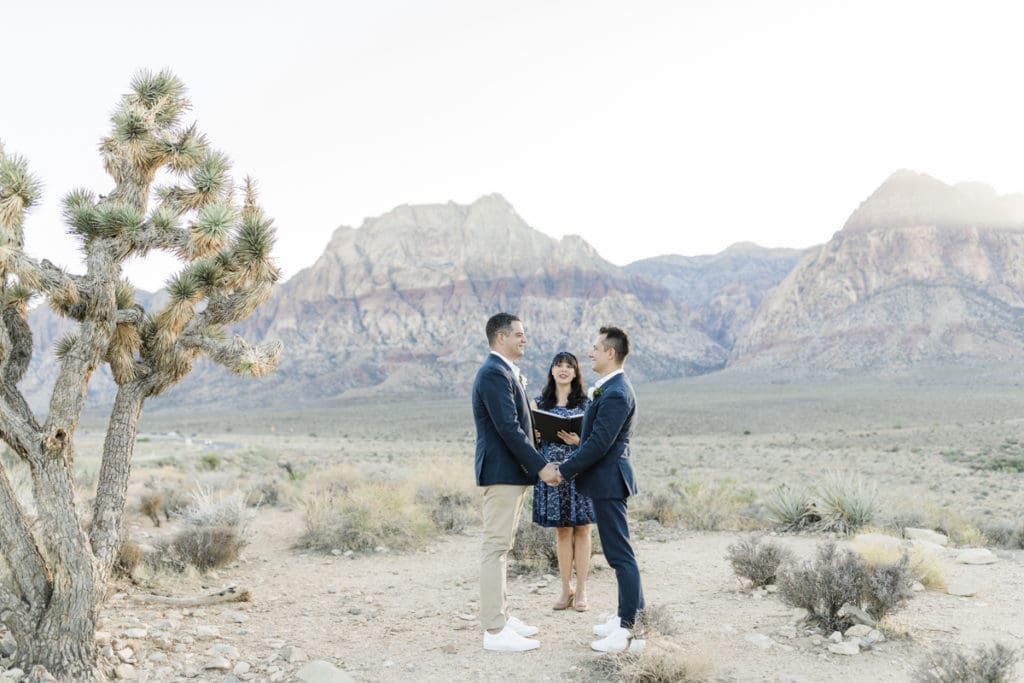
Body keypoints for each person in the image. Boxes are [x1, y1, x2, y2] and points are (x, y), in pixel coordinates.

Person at [472, 312, 561, 652]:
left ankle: (503, 617)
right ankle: (494, 630)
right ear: (500, 338)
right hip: (502, 472)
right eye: (519, 334)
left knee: (502, 547)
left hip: (511, 472)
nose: (525, 339)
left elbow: (518, 424)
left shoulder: (504, 372)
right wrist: (540, 467)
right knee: (495, 548)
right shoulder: (494, 373)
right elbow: (508, 428)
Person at [555, 326, 645, 653]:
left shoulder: (618, 392)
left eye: (595, 348)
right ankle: (629, 616)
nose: (590, 353)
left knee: (620, 555)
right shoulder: (608, 388)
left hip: (609, 480)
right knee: (618, 553)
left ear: (610, 352)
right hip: (604, 479)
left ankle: (629, 628)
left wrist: (563, 471)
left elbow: (598, 445)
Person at [531, 351, 595, 612]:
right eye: (558, 365)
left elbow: (597, 441)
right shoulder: (538, 403)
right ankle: (565, 589)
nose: (563, 369)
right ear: (552, 370)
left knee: (583, 530)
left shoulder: (587, 403)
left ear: (576, 371)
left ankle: (581, 592)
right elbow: (531, 444)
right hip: (553, 475)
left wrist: (578, 442)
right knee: (563, 531)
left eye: (569, 365)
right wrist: (536, 436)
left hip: (581, 472)